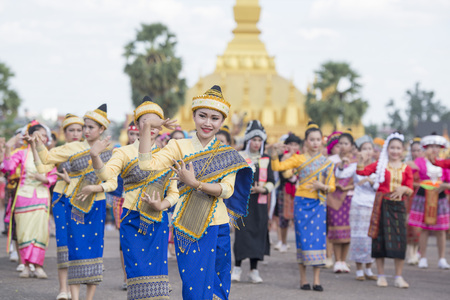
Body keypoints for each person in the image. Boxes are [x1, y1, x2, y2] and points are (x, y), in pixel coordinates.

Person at [138, 85, 253, 300]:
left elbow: (227, 191)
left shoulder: (227, 154)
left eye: (214, 118)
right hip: (186, 224)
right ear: (194, 116)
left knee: (218, 284)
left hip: (217, 225)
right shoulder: (177, 146)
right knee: (193, 284)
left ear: (222, 122)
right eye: (202, 116)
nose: (207, 123)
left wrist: (194, 183)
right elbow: (146, 164)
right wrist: (147, 128)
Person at [91, 97, 179, 299]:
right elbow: (107, 176)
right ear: (137, 125)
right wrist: (95, 157)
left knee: (157, 282)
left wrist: (162, 204)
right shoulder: (123, 152)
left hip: (158, 221)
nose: (151, 125)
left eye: (156, 121)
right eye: (145, 121)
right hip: (132, 220)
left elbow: (175, 193)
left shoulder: (168, 154)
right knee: (137, 278)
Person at [35, 104, 117, 300]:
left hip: (96, 205)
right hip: (74, 204)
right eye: (84, 127)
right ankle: (73, 296)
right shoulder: (72, 148)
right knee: (75, 251)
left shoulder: (111, 151)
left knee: (94, 251)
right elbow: (45, 159)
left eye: (89, 127)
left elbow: (111, 181)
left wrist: (96, 187)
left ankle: (88, 297)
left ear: (101, 130)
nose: (85, 131)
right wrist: (37, 143)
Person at [270, 121, 335, 292]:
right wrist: (274, 153)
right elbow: (278, 167)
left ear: (322, 141)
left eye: (317, 139)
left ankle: (317, 279)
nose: (315, 142)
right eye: (311, 139)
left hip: (318, 204)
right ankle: (303, 279)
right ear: (306, 142)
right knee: (303, 241)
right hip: (301, 203)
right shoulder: (298, 159)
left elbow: (332, 186)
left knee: (318, 241)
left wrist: (322, 187)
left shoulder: (327, 163)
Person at [0, 122, 57, 279]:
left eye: (45, 135)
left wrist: (44, 178)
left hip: (41, 197)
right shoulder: (21, 153)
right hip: (23, 197)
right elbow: (8, 169)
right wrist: (7, 149)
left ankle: (38, 265)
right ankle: (25, 264)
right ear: (30, 136)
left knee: (40, 233)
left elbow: (54, 176)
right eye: (39, 134)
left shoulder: (49, 155)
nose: (43, 138)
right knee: (24, 232)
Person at [356, 132, 413, 288]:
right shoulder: (381, 165)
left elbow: (410, 188)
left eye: (398, 148)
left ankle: (398, 276)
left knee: (400, 241)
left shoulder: (406, 168)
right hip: (383, 205)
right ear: (387, 149)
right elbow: (362, 172)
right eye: (392, 148)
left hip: (399, 206)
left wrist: (403, 189)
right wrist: (361, 160)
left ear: (402, 150)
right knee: (379, 240)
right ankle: (381, 275)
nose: (395, 151)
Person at [41, 114, 83, 300]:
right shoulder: (57, 151)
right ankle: (62, 289)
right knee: (63, 243)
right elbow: (43, 166)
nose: (75, 133)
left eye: (79, 130)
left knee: (79, 245)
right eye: (71, 130)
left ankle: (76, 291)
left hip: (82, 199)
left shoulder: (89, 149)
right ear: (64, 133)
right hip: (61, 198)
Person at [232, 120, 274, 283]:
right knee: (242, 235)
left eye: (259, 140)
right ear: (248, 141)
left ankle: (254, 270)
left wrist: (262, 189)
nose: (257, 143)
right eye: (254, 140)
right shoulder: (240, 157)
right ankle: (237, 268)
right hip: (243, 203)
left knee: (258, 233)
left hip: (260, 204)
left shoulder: (266, 159)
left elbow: (271, 180)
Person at [408, 134, 450, 269]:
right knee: (424, 228)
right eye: (431, 146)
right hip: (424, 195)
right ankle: (423, 257)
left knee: (441, 229)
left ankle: (442, 258)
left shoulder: (444, 163)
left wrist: (445, 186)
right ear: (426, 148)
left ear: (441, 148)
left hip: (440, 196)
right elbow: (409, 169)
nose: (434, 149)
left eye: (437, 146)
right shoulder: (420, 161)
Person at [346, 135, 377, 281]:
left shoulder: (378, 167)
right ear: (358, 151)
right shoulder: (354, 166)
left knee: (372, 237)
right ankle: (359, 269)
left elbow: (379, 186)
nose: (367, 152)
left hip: (373, 205)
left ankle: (369, 268)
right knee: (359, 236)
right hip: (359, 205)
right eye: (364, 149)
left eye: (369, 148)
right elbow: (342, 174)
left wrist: (371, 181)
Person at [327, 130, 355, 273]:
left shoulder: (356, 162)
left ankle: (344, 260)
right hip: (334, 198)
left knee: (348, 230)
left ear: (351, 146)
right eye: (341, 143)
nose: (343, 146)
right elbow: (329, 177)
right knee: (337, 229)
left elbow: (359, 180)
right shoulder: (332, 161)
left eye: (346, 143)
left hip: (350, 197)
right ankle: (337, 260)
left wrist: (348, 186)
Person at [274, 133, 302, 253]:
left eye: (295, 144)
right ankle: (283, 242)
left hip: (298, 190)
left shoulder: (301, 158)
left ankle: (299, 244)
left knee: (298, 219)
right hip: (284, 189)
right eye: (290, 144)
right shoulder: (282, 157)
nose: (293, 146)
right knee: (283, 219)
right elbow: (280, 173)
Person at [405, 137, 423, 265]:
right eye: (414, 150)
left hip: (422, 199)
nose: (416, 153)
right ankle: (410, 253)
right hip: (410, 199)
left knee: (420, 229)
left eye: (418, 150)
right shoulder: (408, 165)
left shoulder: (425, 166)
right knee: (410, 227)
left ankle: (417, 252)